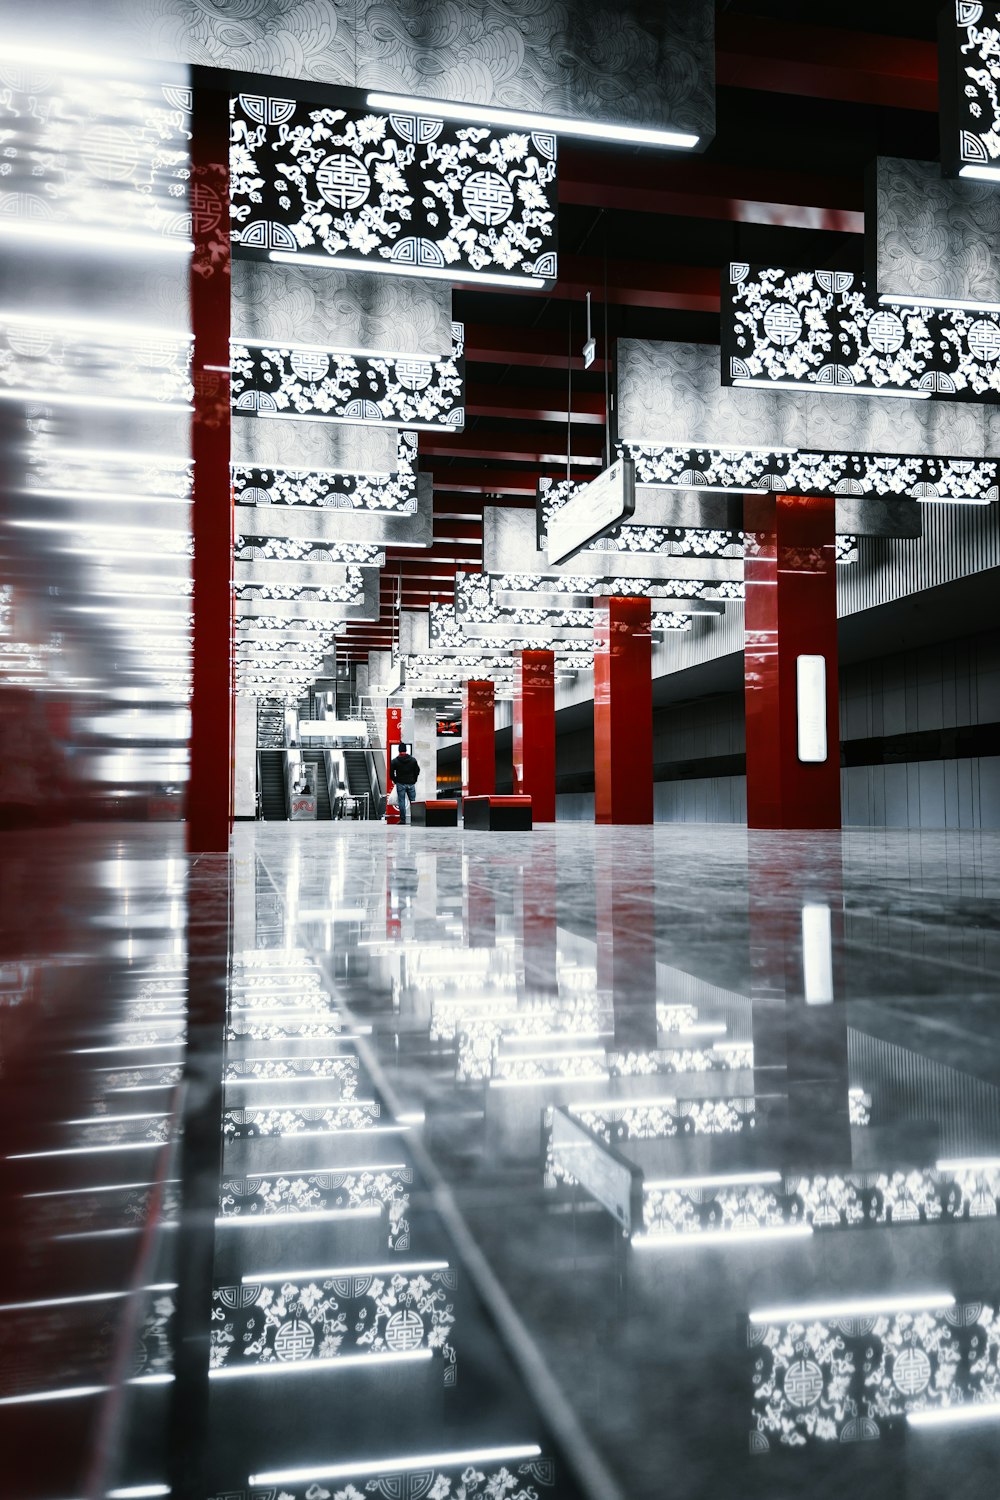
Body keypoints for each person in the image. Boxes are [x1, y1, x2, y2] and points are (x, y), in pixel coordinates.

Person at [389, 745, 420, 823]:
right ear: (406, 750)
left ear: (399, 750)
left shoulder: (395, 761)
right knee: (413, 802)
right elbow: (417, 771)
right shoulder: (413, 760)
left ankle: (403, 820)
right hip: (411, 783)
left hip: (400, 783)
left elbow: (391, 774)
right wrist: (414, 780)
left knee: (401, 802)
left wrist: (396, 780)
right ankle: (415, 820)